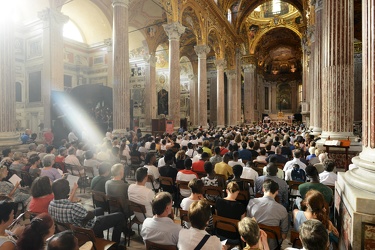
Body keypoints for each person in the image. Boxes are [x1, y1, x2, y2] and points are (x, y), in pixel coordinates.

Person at [48, 179, 125, 244]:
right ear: (67, 190)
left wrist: (74, 190)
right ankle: (116, 244)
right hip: (87, 229)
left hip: (71, 229)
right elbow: (90, 216)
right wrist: (84, 210)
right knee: (120, 215)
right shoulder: (73, 207)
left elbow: (66, 202)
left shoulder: (51, 204)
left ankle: (99, 236)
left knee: (100, 210)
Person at [247, 179, 289, 250]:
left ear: (263, 189)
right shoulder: (282, 209)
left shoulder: (252, 202)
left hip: (253, 241)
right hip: (272, 245)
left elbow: (247, 223)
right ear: (277, 192)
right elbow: (284, 236)